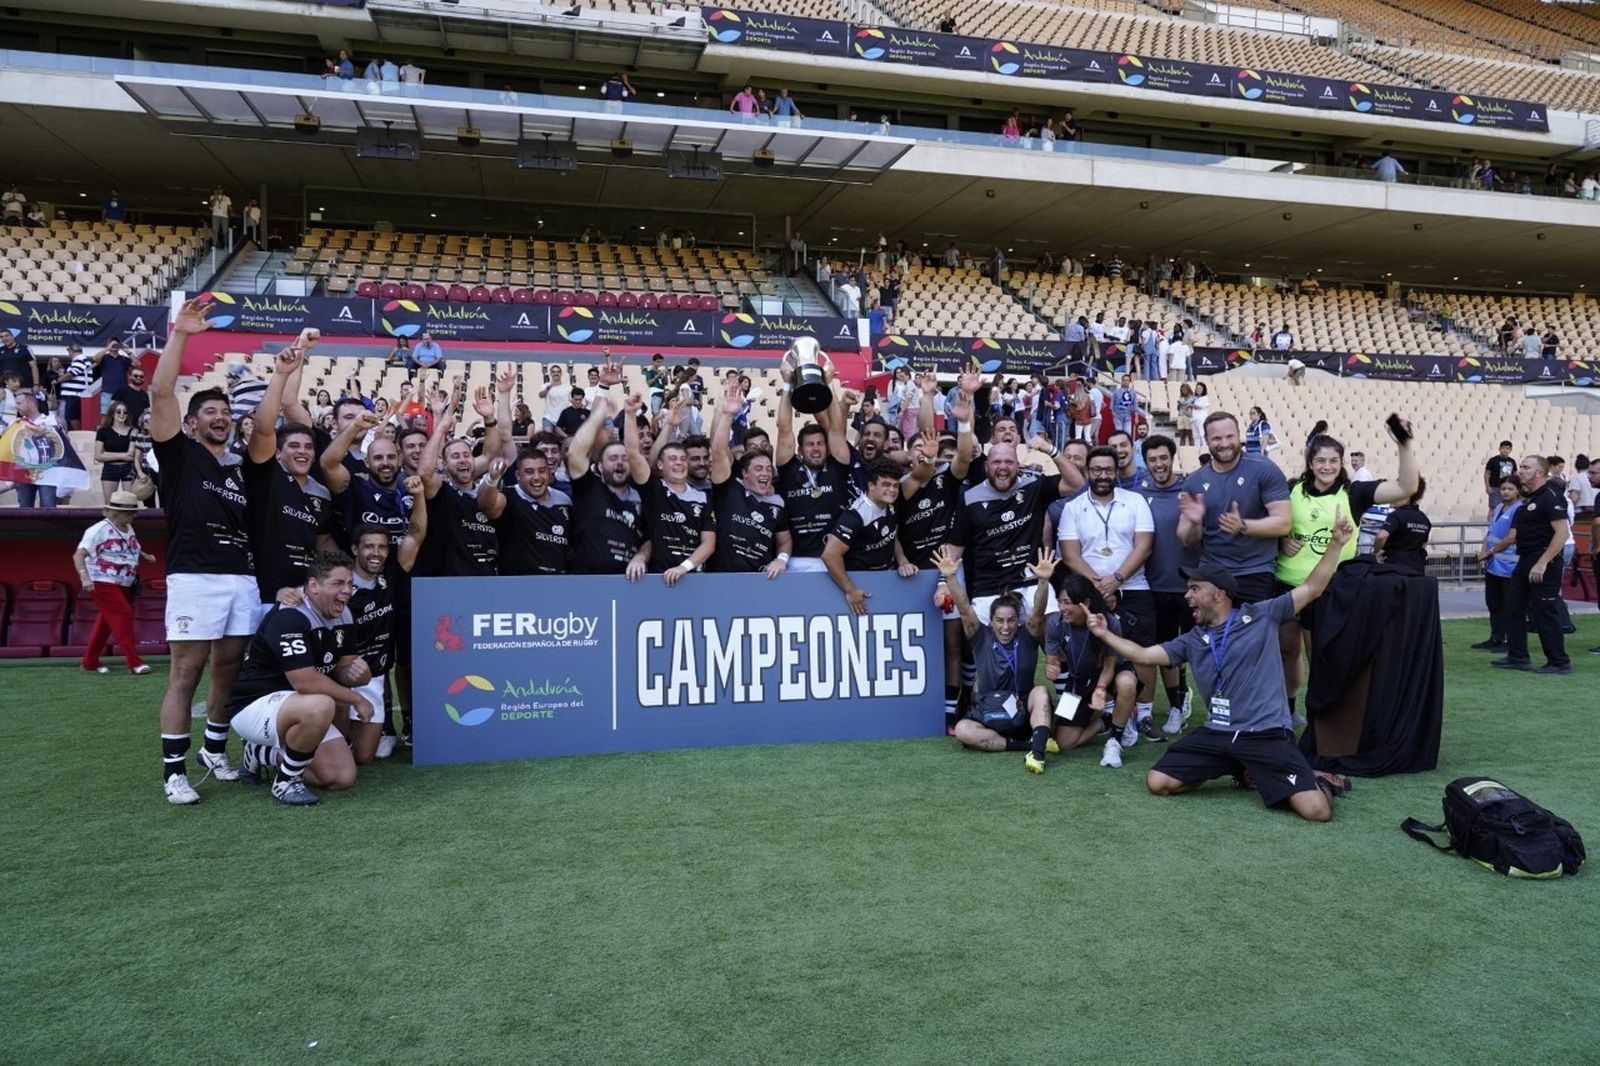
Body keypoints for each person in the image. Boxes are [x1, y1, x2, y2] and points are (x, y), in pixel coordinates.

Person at [1088, 508, 1357, 821]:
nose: (1187, 595)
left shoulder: (1261, 615)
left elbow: (1312, 589)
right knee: (1158, 781)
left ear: (1219, 594)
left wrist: (1336, 544)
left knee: (1317, 811)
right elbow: (1144, 656)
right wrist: (1104, 633)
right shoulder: (1192, 639)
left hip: (1265, 733)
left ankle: (1319, 779)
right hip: (1218, 733)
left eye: (1194, 588)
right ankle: (1241, 768)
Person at [148, 300, 259, 803]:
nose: (220, 417)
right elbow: (161, 390)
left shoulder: (238, 468)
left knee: (230, 666)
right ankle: (174, 771)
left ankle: (215, 749)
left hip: (241, 577)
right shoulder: (177, 453)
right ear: (191, 424)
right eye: (209, 412)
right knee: (186, 671)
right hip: (194, 576)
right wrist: (181, 335)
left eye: (225, 412)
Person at [1275, 426, 1418, 721]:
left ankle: (1322, 714)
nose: (1327, 467)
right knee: (1287, 651)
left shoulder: (1355, 492)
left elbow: (1406, 487)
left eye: (1333, 461)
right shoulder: (1291, 490)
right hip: (1287, 585)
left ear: (1341, 463)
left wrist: (1404, 445)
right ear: (1310, 463)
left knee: (1322, 656)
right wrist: (1280, 540)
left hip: (1330, 588)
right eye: (1321, 461)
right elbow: (1275, 524)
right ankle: (1288, 710)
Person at [225, 551, 372, 806]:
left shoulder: (345, 615)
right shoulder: (290, 614)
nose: (347, 591)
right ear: (313, 586)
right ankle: (286, 782)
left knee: (341, 777)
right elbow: (305, 681)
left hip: (300, 706)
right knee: (323, 702)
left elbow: (343, 669)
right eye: (338, 583)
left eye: (349, 584)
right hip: (256, 703)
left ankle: (261, 753)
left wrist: (360, 675)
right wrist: (357, 698)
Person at [1058, 445, 1162, 752]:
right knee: (1099, 653)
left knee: (1143, 652)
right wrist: (1099, 590)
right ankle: (1109, 711)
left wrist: (1116, 580)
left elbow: (1143, 547)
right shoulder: (1073, 507)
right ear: (1087, 472)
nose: (1102, 475)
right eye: (1096, 470)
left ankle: (1143, 715)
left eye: (1108, 470)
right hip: (1090, 594)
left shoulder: (1135, 501)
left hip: (1133, 587)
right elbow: (1070, 555)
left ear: (1116, 471)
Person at [937, 545, 1058, 775]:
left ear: (1017, 621)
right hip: (988, 712)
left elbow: (1039, 611)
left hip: (1022, 710)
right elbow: (963, 608)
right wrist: (951, 577)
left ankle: (1039, 755)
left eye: (1011, 620)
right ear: (990, 621)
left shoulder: (1027, 634)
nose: (1005, 627)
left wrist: (1043, 582)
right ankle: (1028, 745)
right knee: (963, 730)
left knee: (1041, 692)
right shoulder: (980, 637)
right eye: (999, 621)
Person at [241, 335, 338, 611]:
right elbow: (274, 416)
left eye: (308, 447)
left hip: (305, 595)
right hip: (261, 592)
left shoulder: (321, 491)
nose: (302, 452)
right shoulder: (266, 475)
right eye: (293, 446)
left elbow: (323, 541)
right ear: (277, 453)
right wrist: (296, 359)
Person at [1177, 410, 1290, 606]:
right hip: (1212, 575)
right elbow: (1187, 540)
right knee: (1212, 636)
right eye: (1217, 438)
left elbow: (1283, 523)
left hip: (1255, 572)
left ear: (1239, 435)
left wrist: (1243, 525)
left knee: (1253, 635)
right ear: (1206, 440)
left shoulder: (1265, 469)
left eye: (1230, 436)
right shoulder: (1194, 482)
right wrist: (1195, 523)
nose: (1224, 443)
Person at [345, 514, 425, 765]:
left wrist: (419, 494)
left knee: (365, 757)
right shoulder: (340, 584)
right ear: (355, 549)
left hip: (373, 679)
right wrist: (286, 592)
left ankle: (352, 738)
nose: (376, 553)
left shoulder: (391, 576)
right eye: (369, 546)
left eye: (381, 547)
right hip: (340, 677)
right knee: (334, 753)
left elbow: (415, 534)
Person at [1484, 455, 1571, 675]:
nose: (1520, 470)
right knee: (1512, 606)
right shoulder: (1530, 499)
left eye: (1525, 467)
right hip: (1525, 560)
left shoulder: (1550, 496)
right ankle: (1518, 656)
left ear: (1539, 472)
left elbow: (1562, 533)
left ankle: (1559, 662)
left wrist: (1543, 562)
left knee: (1544, 612)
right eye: (1520, 466)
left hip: (1544, 561)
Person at [1042, 572, 1139, 766]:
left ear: (1085, 603)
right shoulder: (1054, 624)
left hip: (1111, 672)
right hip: (1080, 678)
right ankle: (1108, 720)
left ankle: (1115, 740)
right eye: (1060, 602)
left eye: (1067, 602)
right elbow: (1051, 661)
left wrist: (1101, 689)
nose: (1062, 608)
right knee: (1064, 742)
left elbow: (1110, 665)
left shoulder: (1109, 622)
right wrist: (1050, 668)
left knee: (1127, 683)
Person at [564, 363, 649, 578]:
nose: (620, 463)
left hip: (629, 585)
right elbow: (575, 453)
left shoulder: (642, 495)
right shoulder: (589, 488)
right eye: (612, 458)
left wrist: (641, 557)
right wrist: (601, 395)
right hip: (587, 582)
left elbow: (649, 539)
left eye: (624, 458)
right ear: (599, 466)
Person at [623, 391, 714, 581]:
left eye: (683, 459)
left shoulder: (703, 497)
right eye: (672, 459)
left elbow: (708, 543)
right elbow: (632, 453)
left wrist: (683, 568)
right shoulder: (654, 488)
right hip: (658, 577)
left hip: (694, 578)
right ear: (660, 465)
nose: (679, 463)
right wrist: (630, 414)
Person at [710, 379, 790, 576]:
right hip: (721, 580)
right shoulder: (729, 488)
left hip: (759, 583)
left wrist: (781, 560)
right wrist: (728, 414)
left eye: (767, 469)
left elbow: (785, 540)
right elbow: (718, 451)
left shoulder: (778, 503)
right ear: (744, 473)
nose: (765, 473)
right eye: (758, 469)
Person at [73, 491, 157, 676]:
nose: (133, 515)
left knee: (106, 622)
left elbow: (130, 548)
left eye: (134, 512)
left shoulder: (128, 527)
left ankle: (90, 661)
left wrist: (144, 556)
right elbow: (79, 555)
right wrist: (84, 578)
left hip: (124, 581)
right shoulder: (97, 530)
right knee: (124, 614)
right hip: (102, 580)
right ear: (114, 513)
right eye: (129, 512)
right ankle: (134, 662)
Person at [821, 459, 919, 614]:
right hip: (862, 586)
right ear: (871, 486)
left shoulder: (891, 504)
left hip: (887, 581)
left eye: (895, 486)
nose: (892, 490)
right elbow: (830, 555)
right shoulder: (856, 515)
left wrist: (903, 561)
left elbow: (891, 535)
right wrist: (850, 590)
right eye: (886, 484)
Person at [1475, 478, 1521, 651]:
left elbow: (1511, 537)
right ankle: (1496, 637)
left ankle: (1510, 641)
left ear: (1517, 490)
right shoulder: (1499, 508)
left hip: (1510, 565)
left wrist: (1489, 552)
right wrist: (1483, 553)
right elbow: (1490, 533)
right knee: (1493, 603)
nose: (1506, 492)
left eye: (1510, 488)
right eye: (1503, 488)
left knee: (1510, 605)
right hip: (1494, 564)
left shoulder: (1519, 509)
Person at [1375, 477, 1431, 575]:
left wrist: (1376, 551)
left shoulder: (1396, 515)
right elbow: (1423, 544)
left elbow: (1381, 535)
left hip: (1395, 566)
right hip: (1417, 567)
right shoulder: (1424, 519)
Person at [94, 401, 137, 502]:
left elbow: (131, 455)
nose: (122, 414)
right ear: (112, 414)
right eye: (118, 412)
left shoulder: (133, 431)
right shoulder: (103, 431)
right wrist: (122, 456)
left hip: (128, 468)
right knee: (109, 503)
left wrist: (107, 454)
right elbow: (98, 456)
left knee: (129, 502)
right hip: (110, 468)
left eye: (125, 412)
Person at [1483, 440, 1516, 515]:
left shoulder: (1512, 461)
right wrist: (1488, 487)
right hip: (1495, 487)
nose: (1505, 450)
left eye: (1507, 448)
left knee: (1507, 507)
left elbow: (1515, 474)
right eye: (1503, 448)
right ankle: (1490, 525)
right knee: (1494, 507)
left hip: (1507, 487)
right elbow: (1486, 474)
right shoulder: (1493, 460)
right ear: (1499, 449)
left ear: (1511, 450)